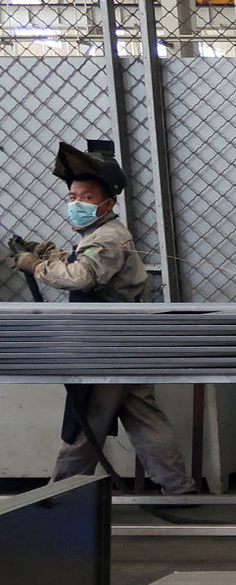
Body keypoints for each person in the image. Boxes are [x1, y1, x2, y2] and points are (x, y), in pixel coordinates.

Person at [10, 142, 196, 495]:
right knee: (143, 417)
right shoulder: (99, 235)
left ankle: (60, 495)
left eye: (86, 196)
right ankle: (179, 487)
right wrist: (51, 253)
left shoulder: (108, 236)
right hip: (122, 343)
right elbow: (87, 263)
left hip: (106, 345)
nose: (76, 203)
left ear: (107, 204)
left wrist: (37, 265)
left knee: (86, 420)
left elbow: (84, 277)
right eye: (72, 196)